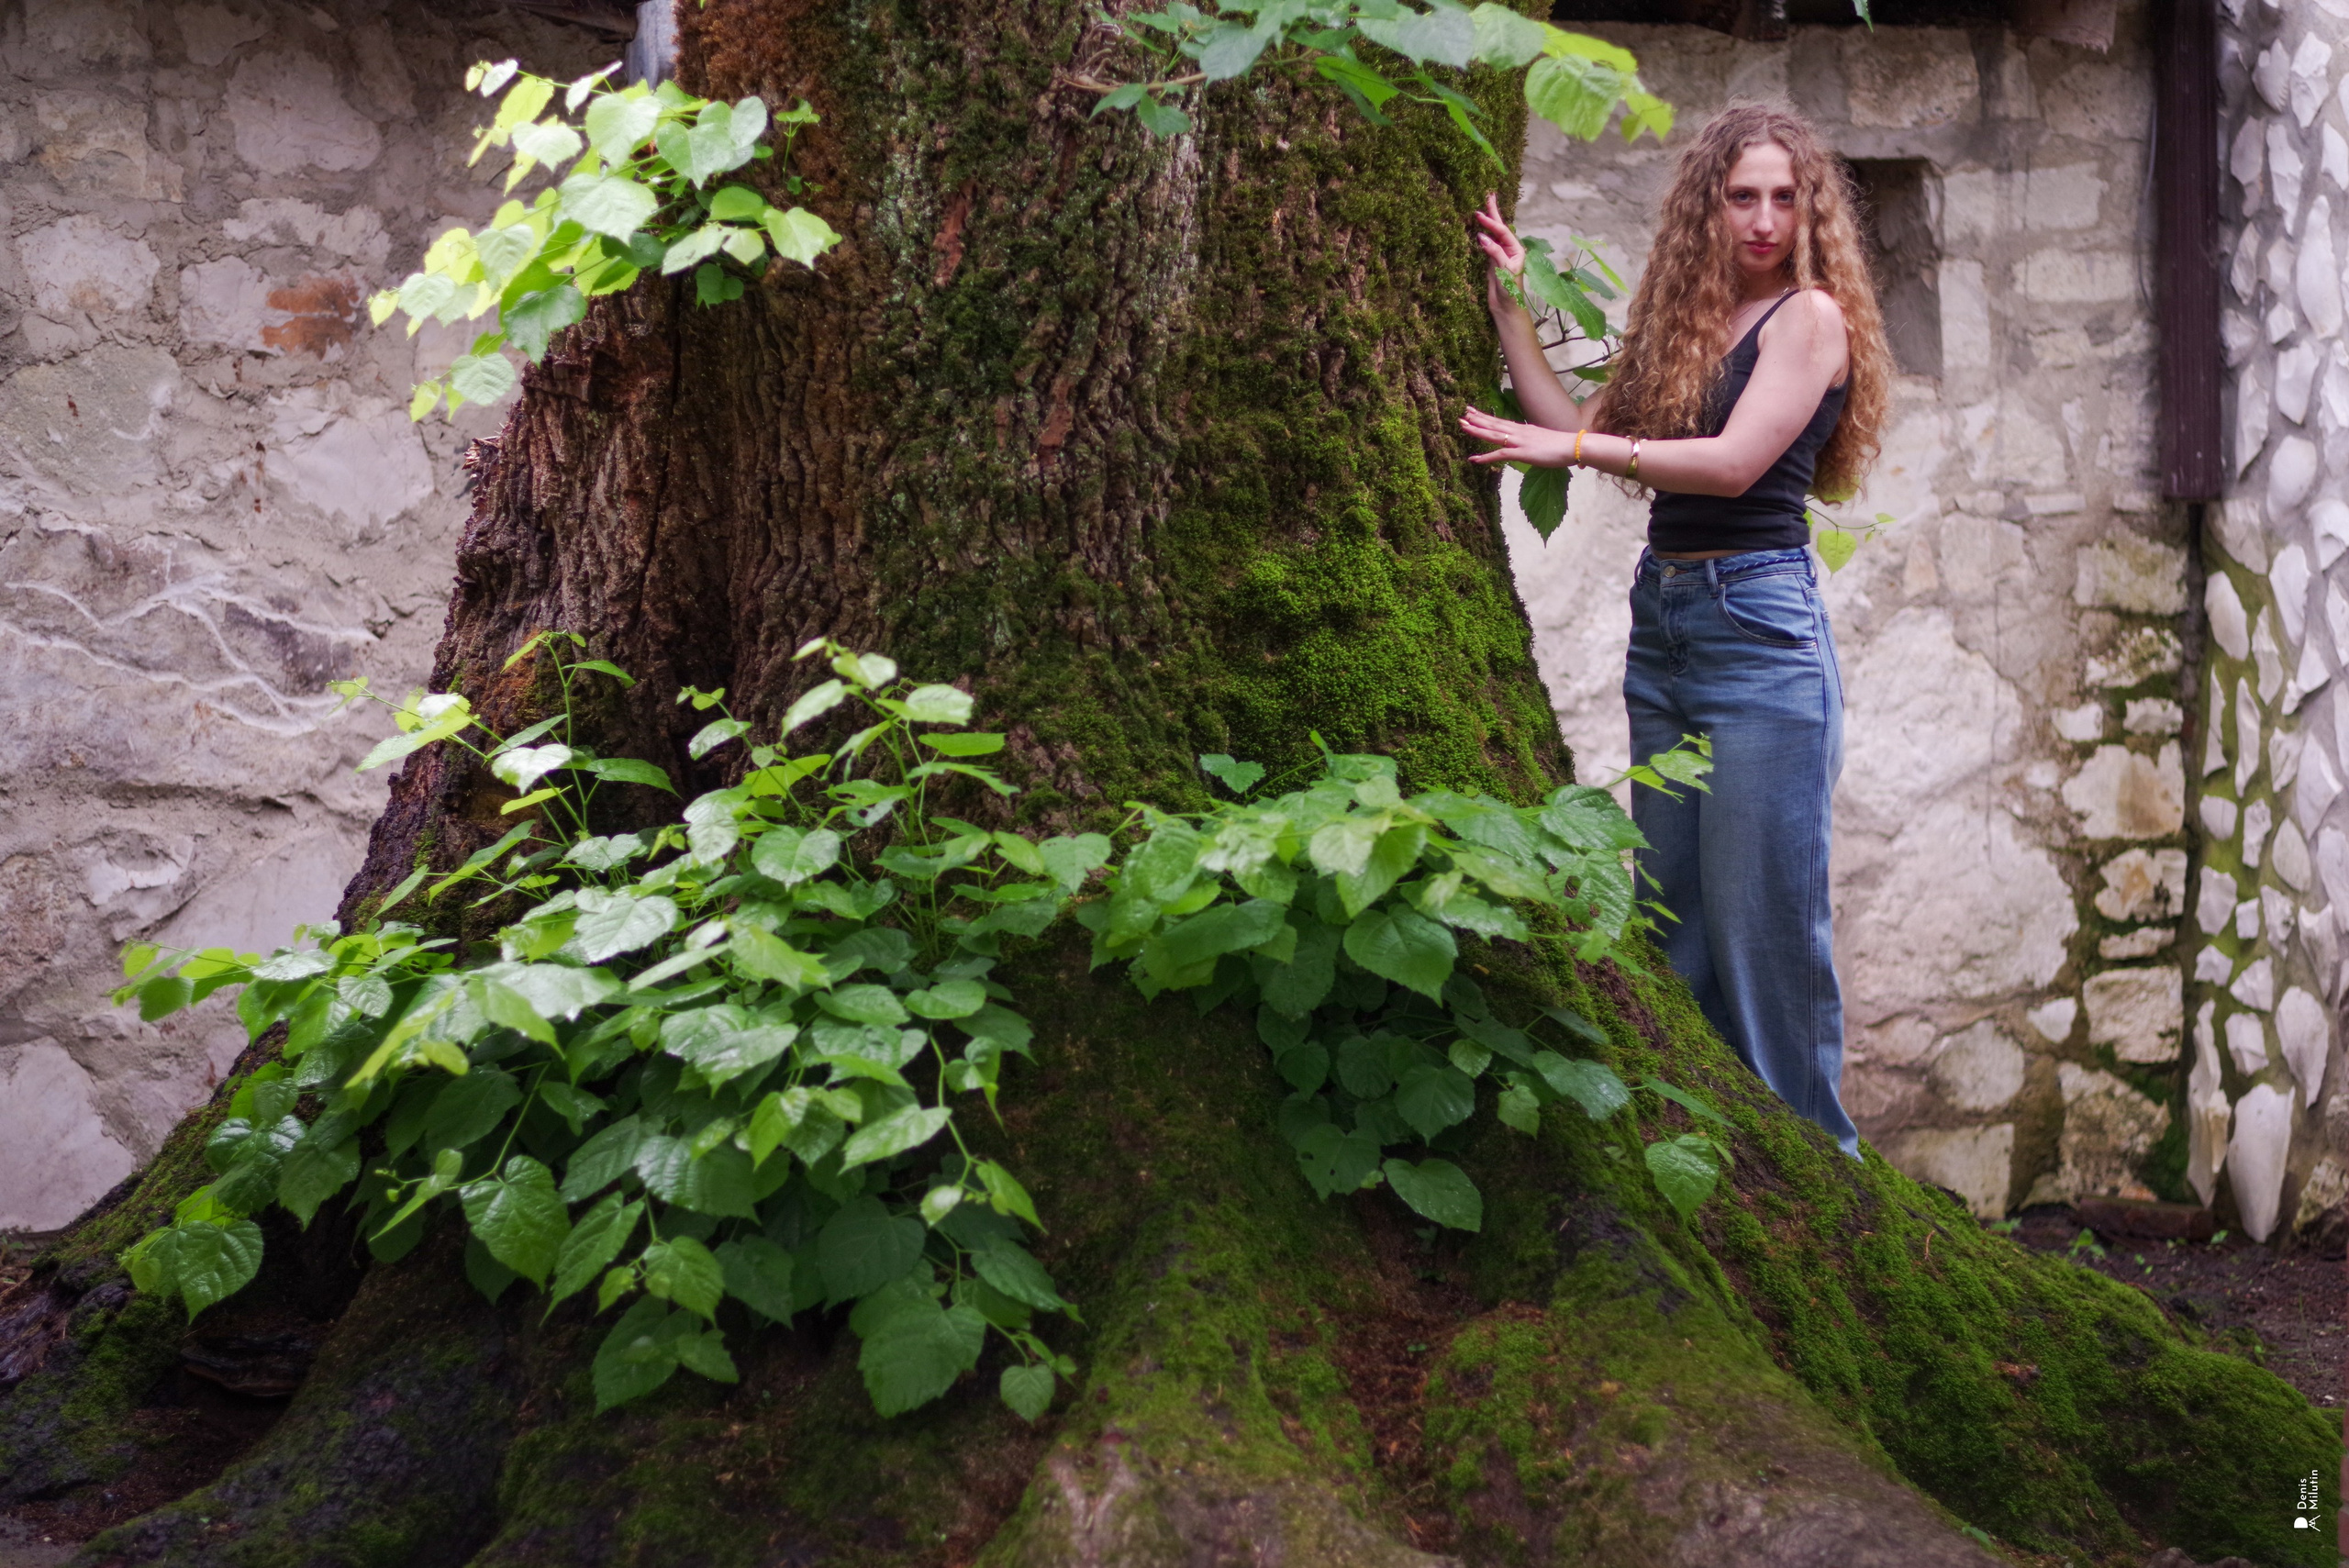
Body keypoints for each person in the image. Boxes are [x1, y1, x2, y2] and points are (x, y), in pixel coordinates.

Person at [1457, 103, 1892, 1160]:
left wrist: (1576, 454)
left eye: (1784, 197)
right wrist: (1511, 309)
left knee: (1762, 930)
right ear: (1708, 206)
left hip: (1759, 631)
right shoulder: (1693, 325)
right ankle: (1718, 1163)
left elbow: (1731, 465)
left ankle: (1820, 1172)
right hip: (1667, 620)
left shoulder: (1808, 317)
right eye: (1742, 196)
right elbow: (1578, 430)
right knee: (1676, 919)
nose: (1763, 218)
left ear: (1810, 211)